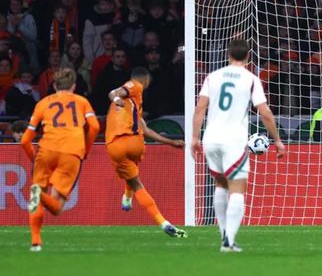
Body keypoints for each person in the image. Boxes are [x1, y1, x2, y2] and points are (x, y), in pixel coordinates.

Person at [191, 39, 286, 253]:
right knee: (237, 189)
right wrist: (277, 140)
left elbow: (199, 109)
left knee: (221, 185)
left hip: (211, 138)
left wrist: (195, 138)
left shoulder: (212, 77)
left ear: (228, 55)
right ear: (248, 57)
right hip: (233, 139)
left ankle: (223, 234)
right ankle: (229, 240)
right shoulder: (251, 79)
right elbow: (265, 112)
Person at [20, 68, 100, 252]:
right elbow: (94, 127)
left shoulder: (42, 103)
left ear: (54, 86)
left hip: (46, 149)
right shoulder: (82, 102)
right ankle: (39, 194)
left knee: (37, 193)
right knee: (56, 208)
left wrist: (35, 158)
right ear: (74, 86)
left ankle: (36, 241)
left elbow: (24, 140)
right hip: (71, 152)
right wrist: (86, 149)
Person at [105, 67, 186, 238]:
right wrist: (117, 97)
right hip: (135, 143)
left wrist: (171, 142)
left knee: (136, 183)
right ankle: (129, 195)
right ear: (146, 80)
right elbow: (116, 92)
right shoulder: (136, 85)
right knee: (134, 163)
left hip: (115, 146)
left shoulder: (133, 108)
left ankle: (162, 222)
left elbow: (147, 129)